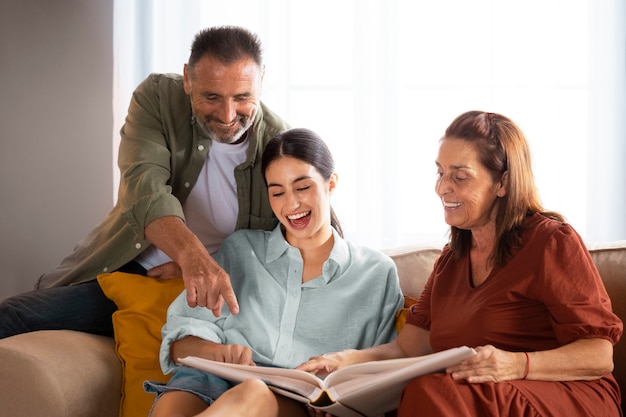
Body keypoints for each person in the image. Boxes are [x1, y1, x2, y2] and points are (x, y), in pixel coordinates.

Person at [298, 111, 624, 416]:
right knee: (421, 393)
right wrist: (343, 363)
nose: (442, 187)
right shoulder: (450, 262)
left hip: (567, 397)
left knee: (432, 393)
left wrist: (515, 364)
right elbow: (407, 350)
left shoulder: (551, 242)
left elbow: (598, 355)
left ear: (504, 183)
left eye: (460, 176)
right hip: (475, 400)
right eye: (440, 172)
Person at [0, 26, 290, 339]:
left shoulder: (281, 145)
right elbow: (144, 188)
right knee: (10, 317)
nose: (227, 114)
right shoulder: (157, 97)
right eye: (211, 97)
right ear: (188, 79)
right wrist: (192, 257)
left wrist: (208, 267)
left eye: (243, 97)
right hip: (131, 268)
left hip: (210, 299)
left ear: (261, 82)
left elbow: (291, 248)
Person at [143, 127, 404, 417]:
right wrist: (220, 353)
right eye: (277, 192)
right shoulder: (240, 250)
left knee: (253, 392)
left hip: (295, 401)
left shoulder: (376, 274)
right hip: (209, 380)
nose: (291, 204)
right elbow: (179, 347)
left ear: (331, 184)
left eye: (302, 187)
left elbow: (380, 373)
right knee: (174, 404)